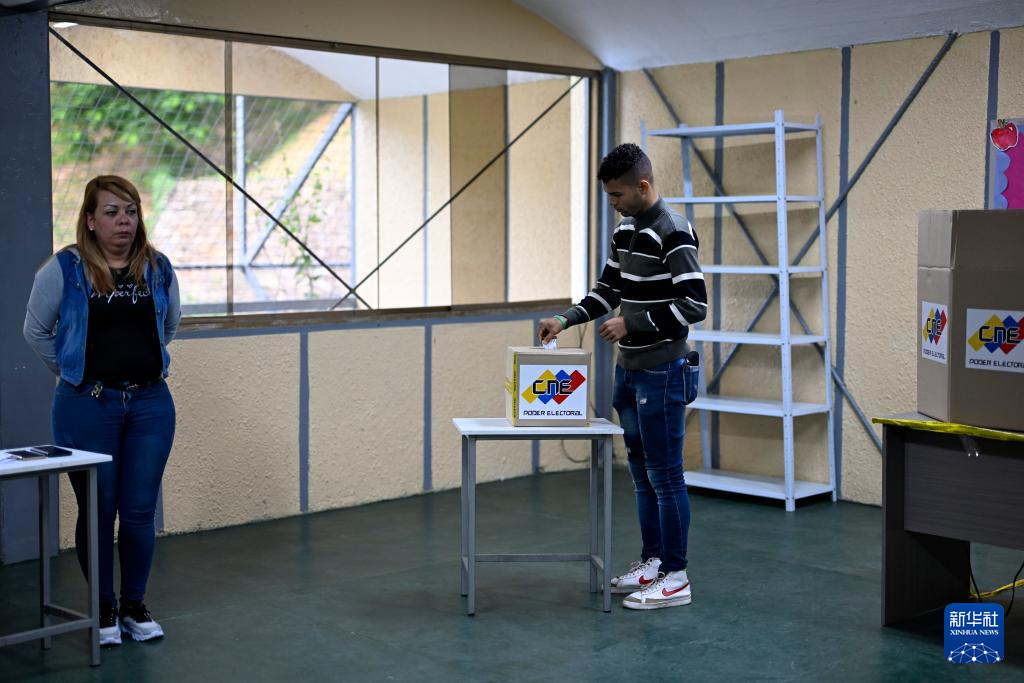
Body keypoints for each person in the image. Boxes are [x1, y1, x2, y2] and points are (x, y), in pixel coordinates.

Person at [538, 143, 707, 610]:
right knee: (641, 475)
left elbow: (695, 305)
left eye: (617, 195)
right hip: (628, 374)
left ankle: (677, 577)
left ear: (642, 186)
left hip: (663, 373)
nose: (612, 203)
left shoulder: (674, 231)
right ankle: (653, 562)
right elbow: (607, 290)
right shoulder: (625, 230)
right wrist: (565, 319)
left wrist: (632, 323)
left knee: (666, 476)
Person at [24, 175, 181, 645]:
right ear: (91, 220)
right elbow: (36, 331)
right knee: (98, 507)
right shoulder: (65, 268)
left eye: (130, 211)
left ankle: (134, 605)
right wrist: (76, 371)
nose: (123, 221)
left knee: (139, 509)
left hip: (150, 404)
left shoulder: (157, 268)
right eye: (112, 212)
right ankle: (104, 608)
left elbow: (169, 325)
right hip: (87, 407)